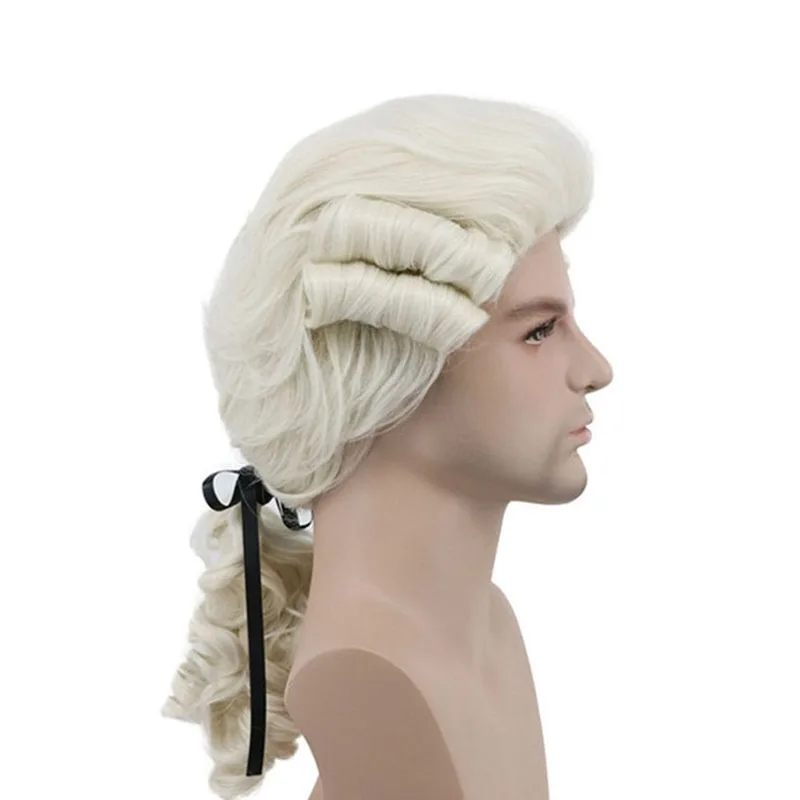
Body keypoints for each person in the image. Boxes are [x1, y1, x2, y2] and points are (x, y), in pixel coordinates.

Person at [162, 92, 613, 800]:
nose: (595, 369)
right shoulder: (367, 675)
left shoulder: (487, 631)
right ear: (387, 371)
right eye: (538, 331)